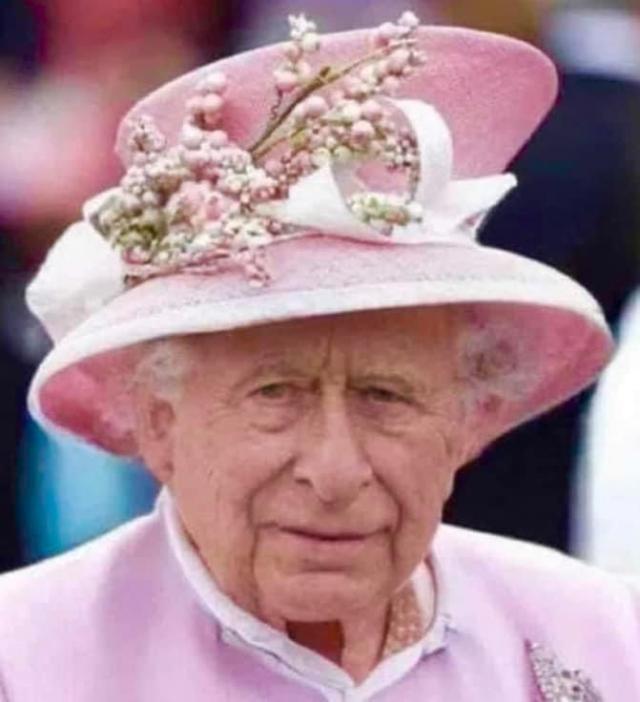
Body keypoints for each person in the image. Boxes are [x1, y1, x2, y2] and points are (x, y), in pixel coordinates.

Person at [0, 10, 638, 700]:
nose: (335, 472)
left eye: (385, 396)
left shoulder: (599, 632)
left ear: (467, 421)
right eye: (275, 394)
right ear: (158, 420)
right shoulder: (25, 659)